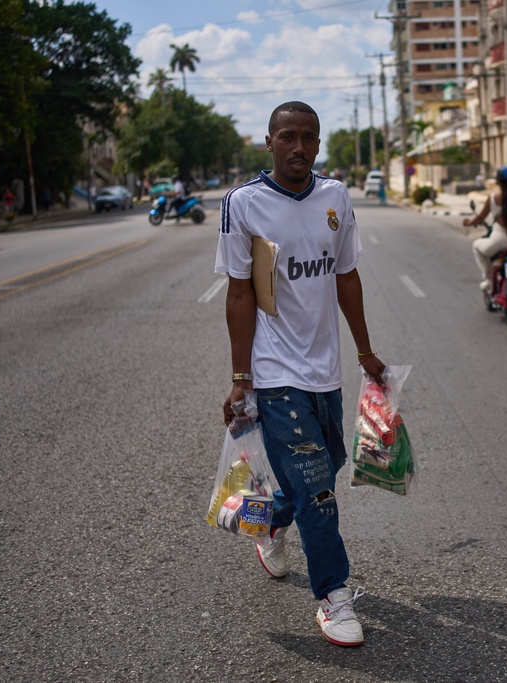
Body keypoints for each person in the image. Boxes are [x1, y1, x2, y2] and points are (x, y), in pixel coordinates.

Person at [215, 101, 385, 648]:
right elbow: (240, 293)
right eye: (288, 136)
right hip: (273, 372)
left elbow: (347, 277)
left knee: (326, 465)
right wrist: (242, 377)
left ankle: (267, 522)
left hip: (324, 372)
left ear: (318, 144)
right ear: (269, 141)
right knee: (317, 489)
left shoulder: (335, 197)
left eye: (309, 138)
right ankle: (334, 597)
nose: (299, 147)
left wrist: (365, 353)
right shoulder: (244, 203)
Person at [463, 166, 507, 291]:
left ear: (498, 181)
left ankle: (488, 278)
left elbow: (479, 218)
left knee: (476, 246)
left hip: (498, 240)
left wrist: (468, 223)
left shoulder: (493, 198)